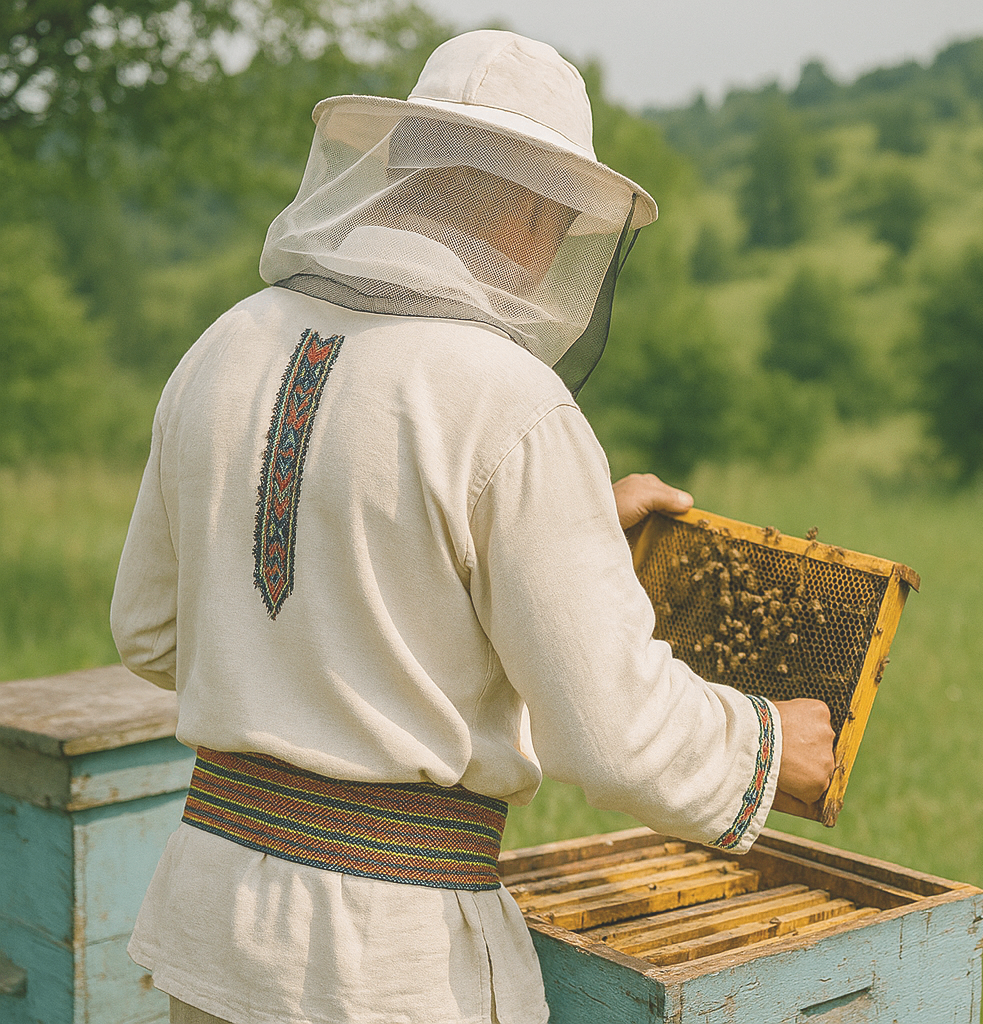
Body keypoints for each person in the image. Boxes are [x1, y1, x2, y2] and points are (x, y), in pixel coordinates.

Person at [109, 29, 836, 1024]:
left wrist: (550, 537)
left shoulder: (221, 348)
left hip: (208, 939)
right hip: (388, 975)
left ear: (405, 166)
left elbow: (152, 632)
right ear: (539, 208)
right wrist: (763, 742)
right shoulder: (507, 401)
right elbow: (616, 739)